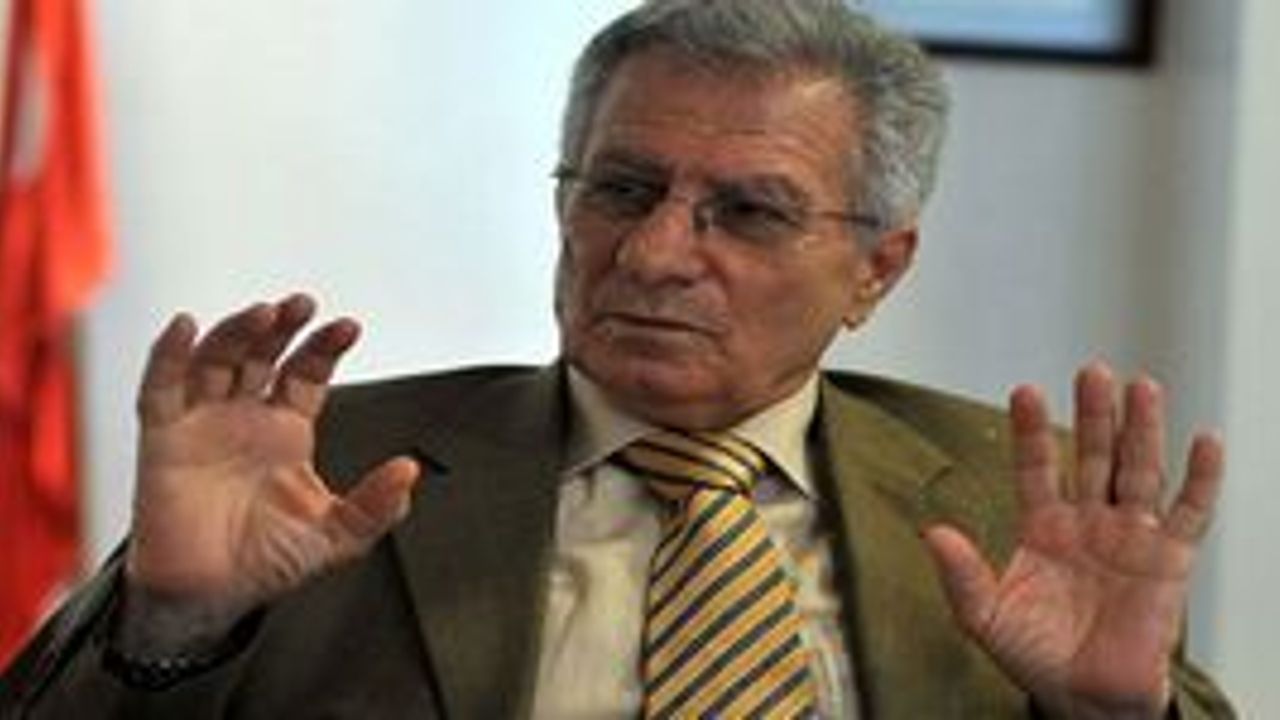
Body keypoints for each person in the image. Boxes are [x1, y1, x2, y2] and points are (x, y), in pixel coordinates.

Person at [0, 0, 1234, 717]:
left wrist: (1118, 717)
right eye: (622, 190)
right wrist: (172, 625)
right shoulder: (329, 469)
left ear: (877, 267)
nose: (652, 254)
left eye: (746, 212)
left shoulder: (1009, 502)